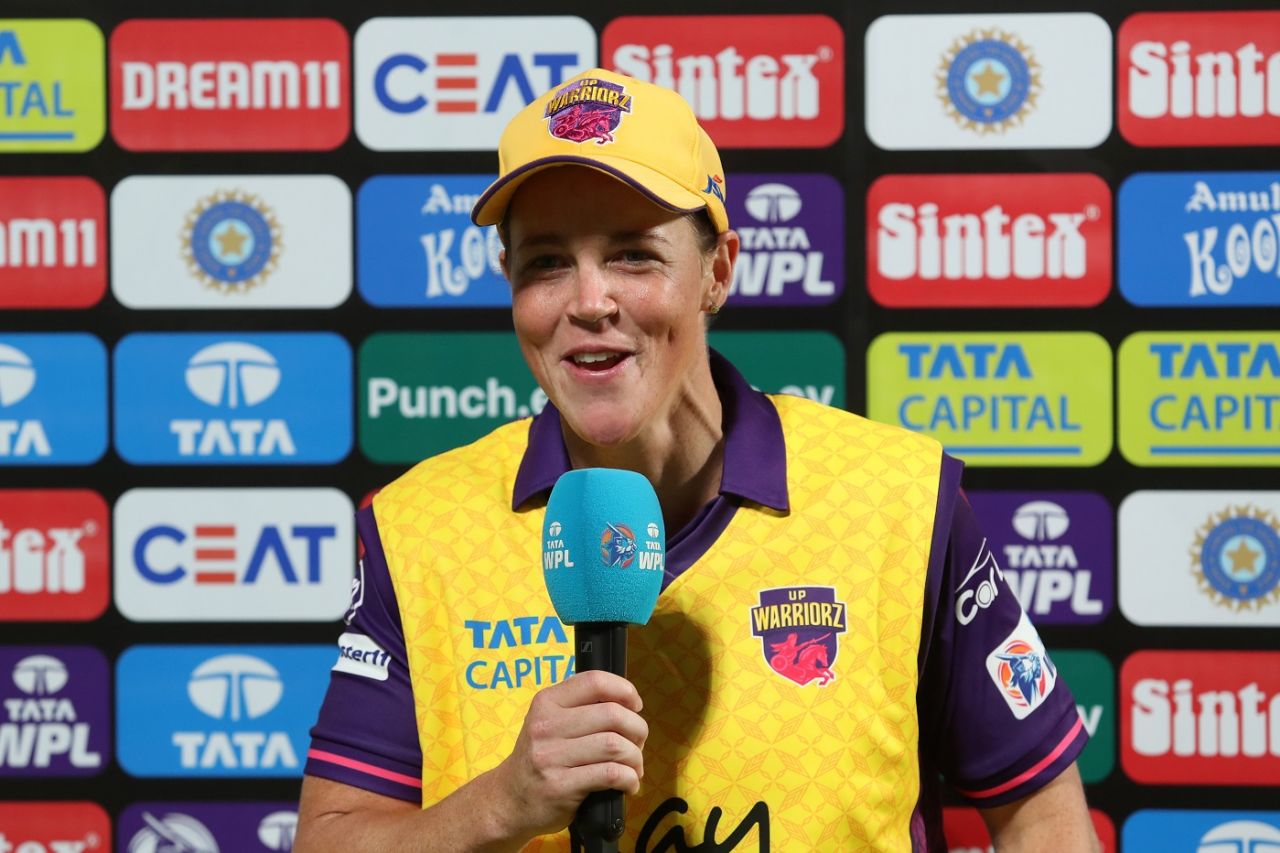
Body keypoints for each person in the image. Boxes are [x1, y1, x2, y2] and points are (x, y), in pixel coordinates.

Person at [295, 68, 1098, 852]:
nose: (588, 300)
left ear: (716, 270)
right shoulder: (420, 527)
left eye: (634, 255)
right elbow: (329, 839)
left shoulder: (900, 498)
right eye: (545, 261)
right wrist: (501, 802)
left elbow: (1040, 817)